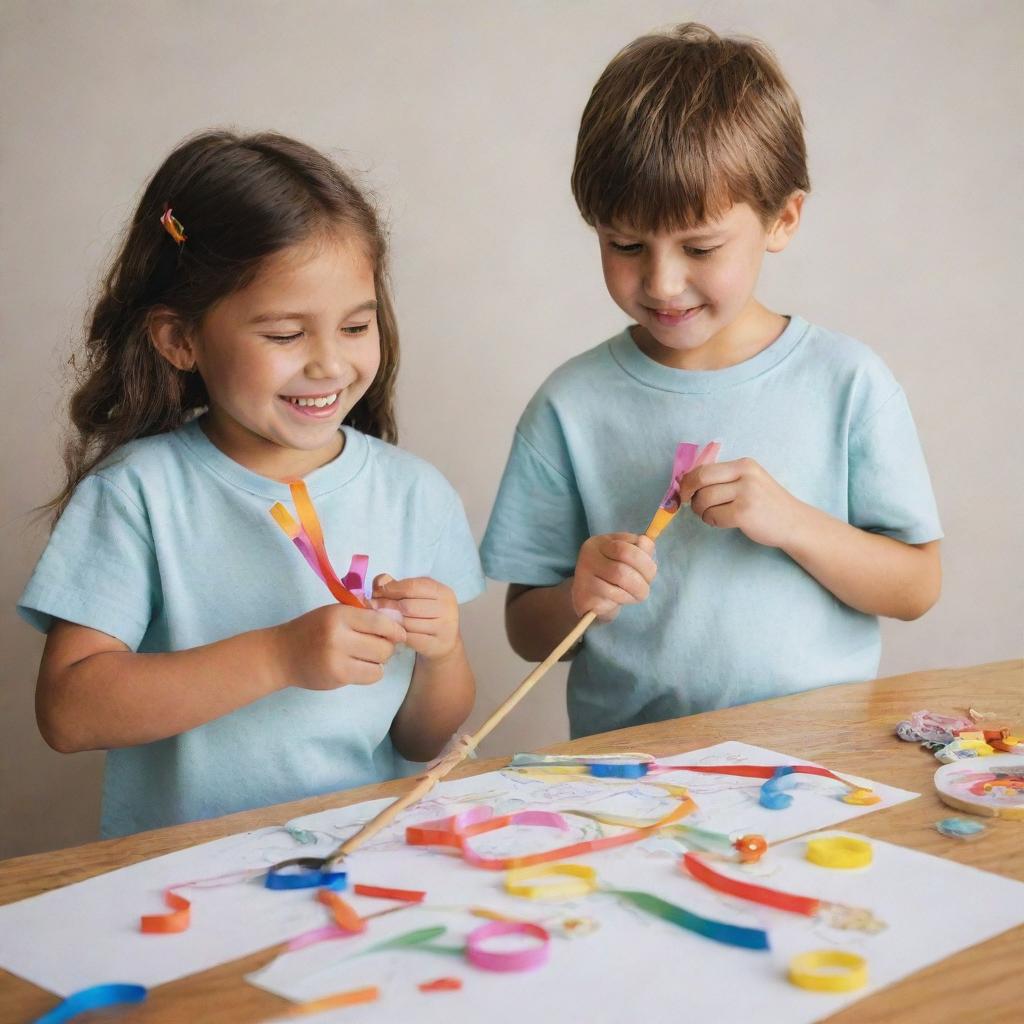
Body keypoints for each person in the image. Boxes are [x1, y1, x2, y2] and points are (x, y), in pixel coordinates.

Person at [481, 24, 942, 739]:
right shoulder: (570, 406)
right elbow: (525, 632)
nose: (662, 282)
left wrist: (792, 523)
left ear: (782, 218)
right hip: (630, 771)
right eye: (624, 244)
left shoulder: (848, 382)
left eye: (700, 247)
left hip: (818, 758)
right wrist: (580, 593)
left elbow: (916, 589)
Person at [19, 131, 483, 836]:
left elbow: (422, 740)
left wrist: (442, 651)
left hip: (358, 866)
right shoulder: (136, 496)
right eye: (285, 334)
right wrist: (278, 656)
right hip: (178, 882)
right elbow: (69, 713)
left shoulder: (416, 494)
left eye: (356, 325)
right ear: (180, 340)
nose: (330, 365)